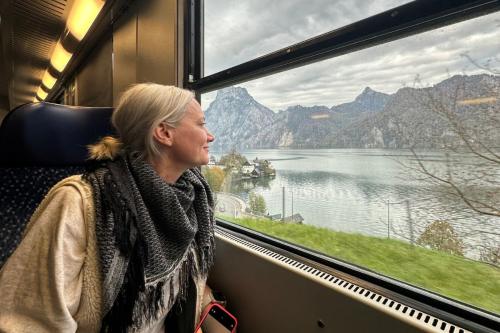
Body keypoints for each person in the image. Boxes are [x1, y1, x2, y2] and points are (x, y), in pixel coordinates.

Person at [0, 83, 216, 332]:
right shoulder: (81, 201)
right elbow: (29, 323)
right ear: (164, 133)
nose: (210, 136)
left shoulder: (194, 198)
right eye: (201, 124)